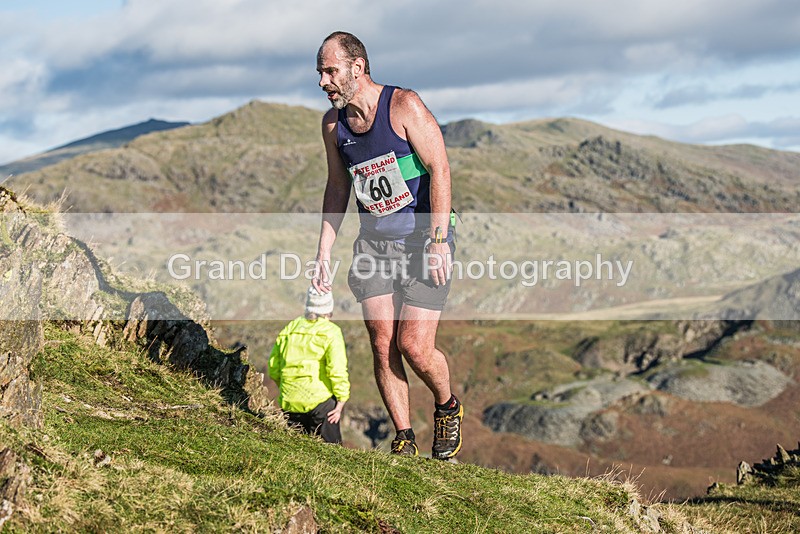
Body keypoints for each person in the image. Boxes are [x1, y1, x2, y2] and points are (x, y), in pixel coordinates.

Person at [312, 31, 462, 459]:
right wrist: (324, 250)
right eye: (320, 73)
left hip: (423, 240)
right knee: (382, 341)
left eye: (330, 71)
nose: (323, 81)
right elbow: (337, 187)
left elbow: (441, 170)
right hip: (374, 247)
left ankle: (447, 406)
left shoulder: (403, 106)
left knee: (413, 345)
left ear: (357, 69)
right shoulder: (333, 125)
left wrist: (438, 239)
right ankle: (404, 437)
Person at [268, 286, 350, 444]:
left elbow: (274, 368)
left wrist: (287, 388)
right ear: (329, 309)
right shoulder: (331, 331)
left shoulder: (290, 328)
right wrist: (341, 401)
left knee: (297, 452)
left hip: (290, 401)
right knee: (332, 453)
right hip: (321, 403)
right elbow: (336, 369)